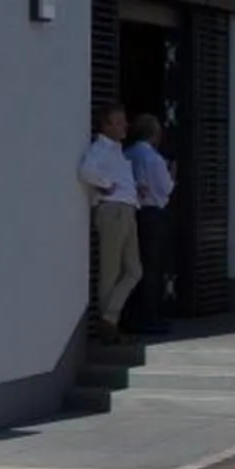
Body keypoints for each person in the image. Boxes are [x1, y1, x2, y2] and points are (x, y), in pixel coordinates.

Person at [78, 106, 141, 345]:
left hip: (127, 208)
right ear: (106, 126)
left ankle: (108, 317)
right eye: (119, 122)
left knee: (134, 269)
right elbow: (86, 170)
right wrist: (106, 185)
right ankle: (109, 327)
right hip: (113, 210)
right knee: (111, 271)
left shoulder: (116, 150)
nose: (124, 126)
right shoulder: (101, 148)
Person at [125, 114, 176, 332]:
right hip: (154, 213)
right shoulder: (153, 158)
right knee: (152, 266)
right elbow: (166, 188)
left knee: (134, 264)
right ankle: (150, 316)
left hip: (134, 211)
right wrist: (172, 174)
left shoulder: (127, 154)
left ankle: (132, 315)